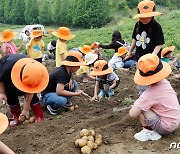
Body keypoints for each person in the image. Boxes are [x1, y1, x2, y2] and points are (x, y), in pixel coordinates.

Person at [129, 54, 180, 142]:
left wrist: (135, 106)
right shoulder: (165, 83)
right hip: (175, 121)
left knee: (140, 107)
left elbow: (132, 114)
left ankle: (148, 131)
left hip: (165, 128)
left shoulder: (149, 94)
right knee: (145, 105)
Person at [125, 0, 165, 95]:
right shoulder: (138, 25)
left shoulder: (156, 27)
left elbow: (159, 44)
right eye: (142, 17)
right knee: (142, 79)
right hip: (140, 59)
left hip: (152, 60)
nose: (144, 19)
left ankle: (156, 97)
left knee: (154, 79)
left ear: (152, 15)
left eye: (147, 17)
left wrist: (152, 56)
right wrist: (130, 52)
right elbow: (135, 39)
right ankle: (143, 96)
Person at [0, 54, 49, 126]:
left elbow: (30, 91)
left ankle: (39, 115)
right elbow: (0, 79)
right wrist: (2, 92)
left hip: (24, 69)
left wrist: (26, 109)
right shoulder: (6, 70)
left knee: (33, 96)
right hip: (9, 72)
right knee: (10, 94)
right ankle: (16, 116)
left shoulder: (35, 71)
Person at [41, 51, 86, 115]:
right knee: (62, 101)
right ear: (72, 65)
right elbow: (59, 91)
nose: (79, 67)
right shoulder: (62, 73)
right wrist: (75, 93)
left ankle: (64, 101)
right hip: (47, 94)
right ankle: (52, 107)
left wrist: (70, 79)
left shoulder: (67, 70)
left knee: (74, 84)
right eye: (78, 65)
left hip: (55, 90)